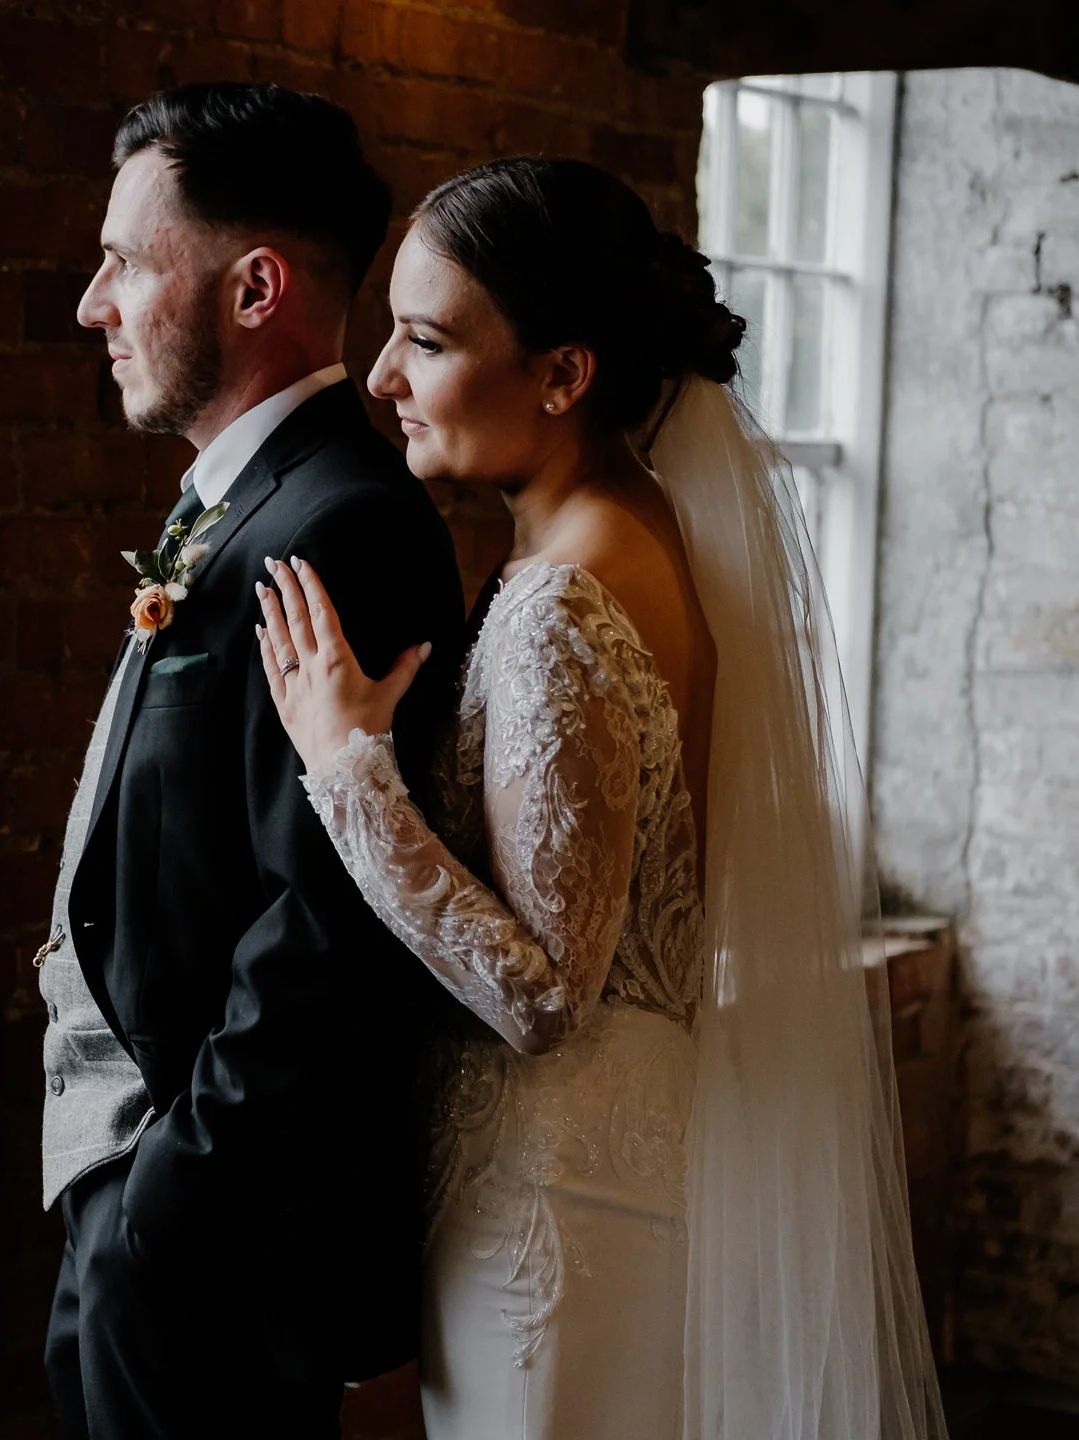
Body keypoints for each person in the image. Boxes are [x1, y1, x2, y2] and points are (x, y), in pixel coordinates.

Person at [255, 157, 948, 1438]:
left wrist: (346, 768)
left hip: (555, 1202)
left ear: (562, 374)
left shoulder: (562, 605)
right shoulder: (645, 530)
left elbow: (541, 995)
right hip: (609, 1164)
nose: (381, 376)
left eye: (424, 341)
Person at [37, 83, 466, 1435]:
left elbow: (332, 927)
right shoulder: (239, 504)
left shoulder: (343, 523)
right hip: (127, 1192)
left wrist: (163, 1213)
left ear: (255, 287)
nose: (93, 306)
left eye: (125, 263)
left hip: (207, 1236)